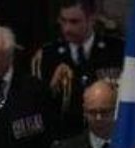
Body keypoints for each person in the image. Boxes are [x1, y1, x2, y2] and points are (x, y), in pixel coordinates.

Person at [32, 0, 123, 138]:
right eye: (63, 21)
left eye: (74, 22)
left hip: (110, 136)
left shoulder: (117, 50)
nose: (66, 28)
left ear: (92, 19)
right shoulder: (48, 55)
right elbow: (39, 108)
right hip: (65, 141)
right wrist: (52, 87)